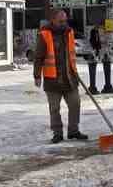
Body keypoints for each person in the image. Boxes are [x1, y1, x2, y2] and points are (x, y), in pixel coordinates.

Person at [33, 9, 87, 144]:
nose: (64, 23)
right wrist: (37, 75)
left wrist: (74, 70)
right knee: (54, 108)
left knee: (75, 103)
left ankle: (73, 131)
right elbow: (38, 57)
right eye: (61, 21)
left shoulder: (69, 32)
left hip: (69, 77)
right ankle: (57, 133)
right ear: (53, 20)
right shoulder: (44, 34)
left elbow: (71, 54)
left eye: (65, 21)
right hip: (52, 79)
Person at [86, 23, 113, 95]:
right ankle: (106, 86)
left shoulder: (94, 31)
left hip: (95, 50)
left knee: (94, 64)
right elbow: (95, 41)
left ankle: (93, 87)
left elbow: (93, 41)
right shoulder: (96, 31)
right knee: (105, 62)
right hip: (97, 50)